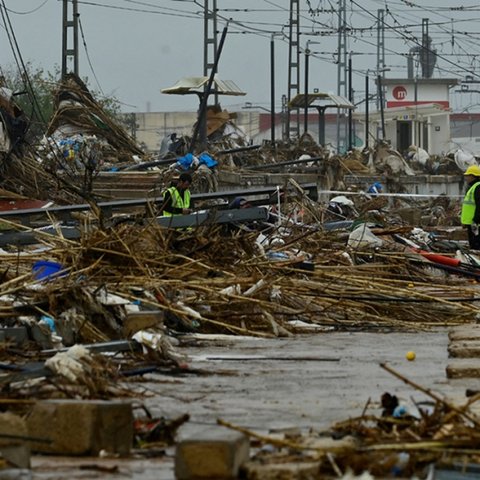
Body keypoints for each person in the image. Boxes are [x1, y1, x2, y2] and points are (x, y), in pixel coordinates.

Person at [461, 165, 480, 249]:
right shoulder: (473, 187)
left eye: (468, 176)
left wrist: (475, 221)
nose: (466, 178)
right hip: (471, 223)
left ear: (473, 176)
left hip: (475, 224)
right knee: (473, 245)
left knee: (476, 246)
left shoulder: (478, 187)